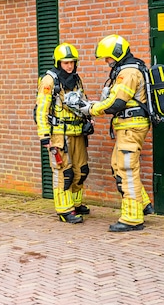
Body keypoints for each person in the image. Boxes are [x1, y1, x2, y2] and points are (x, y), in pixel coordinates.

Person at [86, 35, 153, 232]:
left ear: (117, 53)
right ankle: (142, 204)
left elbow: (117, 103)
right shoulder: (128, 69)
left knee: (126, 169)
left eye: (108, 58)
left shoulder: (129, 72)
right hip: (127, 126)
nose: (107, 62)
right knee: (118, 165)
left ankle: (132, 218)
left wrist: (91, 109)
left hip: (131, 127)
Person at [36, 43, 92, 224]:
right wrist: (44, 136)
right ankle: (64, 210)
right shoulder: (49, 81)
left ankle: (76, 203)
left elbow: (83, 101)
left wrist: (89, 119)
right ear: (58, 62)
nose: (69, 66)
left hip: (78, 132)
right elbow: (41, 110)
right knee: (64, 173)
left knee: (81, 170)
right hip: (59, 135)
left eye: (72, 62)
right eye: (65, 63)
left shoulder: (76, 79)